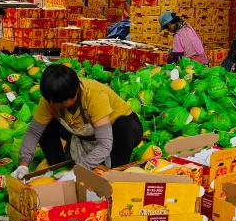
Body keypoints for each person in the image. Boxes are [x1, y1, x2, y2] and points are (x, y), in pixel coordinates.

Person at [11, 64, 143, 174]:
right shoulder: (51, 98)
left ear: (74, 93)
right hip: (86, 134)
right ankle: (59, 169)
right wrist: (23, 164)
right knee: (46, 127)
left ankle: (114, 174)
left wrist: (77, 172)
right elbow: (34, 132)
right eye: (50, 101)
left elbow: (104, 144)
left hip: (118, 132)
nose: (52, 105)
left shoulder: (95, 95)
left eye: (59, 103)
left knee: (124, 128)